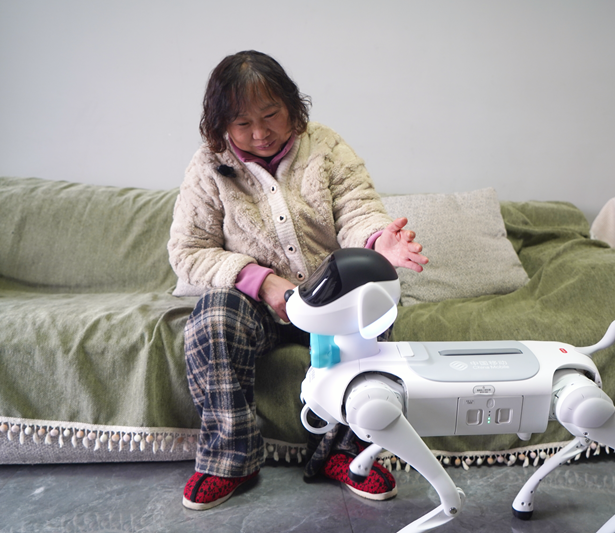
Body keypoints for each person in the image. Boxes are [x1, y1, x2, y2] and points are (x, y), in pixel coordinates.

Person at [168, 50, 427, 511]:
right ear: (221, 125)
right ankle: (231, 460)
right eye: (243, 123)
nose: (260, 133)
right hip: (255, 303)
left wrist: (377, 241)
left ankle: (345, 454)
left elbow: (358, 209)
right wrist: (264, 282)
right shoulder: (208, 165)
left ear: (292, 106)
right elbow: (189, 251)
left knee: (373, 306)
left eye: (271, 115)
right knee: (211, 319)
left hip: (329, 297)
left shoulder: (326, 146)